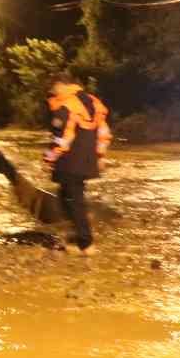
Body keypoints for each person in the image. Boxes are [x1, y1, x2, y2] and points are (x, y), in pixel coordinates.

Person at [44, 72, 112, 255]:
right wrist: (100, 156)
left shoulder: (65, 105)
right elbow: (104, 133)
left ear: (61, 84)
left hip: (70, 162)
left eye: (54, 88)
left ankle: (86, 243)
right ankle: (78, 230)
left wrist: (49, 158)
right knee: (66, 197)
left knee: (73, 201)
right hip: (87, 160)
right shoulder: (93, 102)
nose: (53, 92)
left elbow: (62, 138)